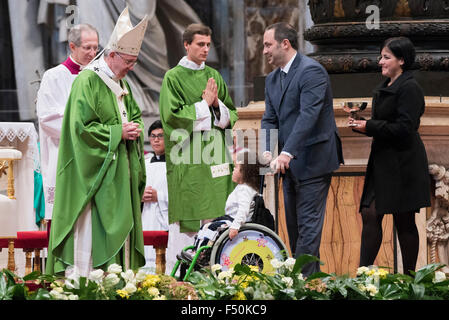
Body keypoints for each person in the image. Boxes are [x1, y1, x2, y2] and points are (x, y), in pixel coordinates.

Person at [46, 7, 149, 276]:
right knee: (90, 238)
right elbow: (80, 129)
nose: (131, 67)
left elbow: (131, 114)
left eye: (134, 61)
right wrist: (118, 133)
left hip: (118, 174)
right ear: (112, 55)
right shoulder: (88, 81)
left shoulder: (119, 84)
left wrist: (133, 127)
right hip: (95, 180)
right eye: (128, 61)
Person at [261, 22, 344, 276]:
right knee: (296, 228)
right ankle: (311, 282)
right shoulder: (273, 79)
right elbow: (269, 119)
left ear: (285, 44)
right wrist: (268, 151)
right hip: (290, 166)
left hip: (313, 160)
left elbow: (308, 116)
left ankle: (301, 283)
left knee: (308, 228)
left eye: (267, 45)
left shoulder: (312, 72)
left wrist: (287, 152)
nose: (264, 51)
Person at [348, 37, 431, 276]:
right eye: (381, 56)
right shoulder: (386, 84)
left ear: (402, 60)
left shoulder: (410, 88)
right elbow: (385, 125)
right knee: (370, 213)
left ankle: (409, 277)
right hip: (383, 161)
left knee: (403, 220)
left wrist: (370, 126)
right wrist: (364, 126)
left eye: (386, 57)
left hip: (403, 162)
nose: (380, 61)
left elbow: (406, 128)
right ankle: (362, 275)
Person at [159, 23, 238, 268]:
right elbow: (171, 118)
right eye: (200, 44)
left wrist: (216, 106)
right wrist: (204, 104)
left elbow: (231, 114)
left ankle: (217, 273)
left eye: (207, 44)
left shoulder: (214, 76)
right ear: (186, 45)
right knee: (190, 222)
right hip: (188, 160)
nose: (205, 49)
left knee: (219, 216)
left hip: (215, 158)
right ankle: (183, 278)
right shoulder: (172, 78)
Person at [36, 24, 99, 222]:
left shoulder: (100, 77)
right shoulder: (53, 76)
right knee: (64, 219)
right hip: (63, 156)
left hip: (94, 158)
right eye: (87, 48)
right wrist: (87, 128)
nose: (93, 53)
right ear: (72, 46)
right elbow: (48, 119)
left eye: (96, 48)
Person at [193, 150, 262, 252]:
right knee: (206, 226)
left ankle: (202, 252)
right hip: (229, 218)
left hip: (236, 222)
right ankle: (196, 249)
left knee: (212, 228)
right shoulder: (242, 187)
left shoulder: (245, 189)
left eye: (237, 168)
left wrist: (235, 226)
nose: (233, 170)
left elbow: (244, 210)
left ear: (246, 172)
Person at [141, 120, 169, 270]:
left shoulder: (175, 165)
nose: (156, 140)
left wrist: (160, 196)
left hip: (164, 217)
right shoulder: (144, 164)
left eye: (160, 136)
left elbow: (183, 196)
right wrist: (140, 195)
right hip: (145, 216)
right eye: (153, 136)